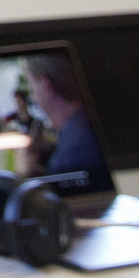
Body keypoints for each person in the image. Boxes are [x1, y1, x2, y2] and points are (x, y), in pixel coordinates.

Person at [28, 56, 109, 192]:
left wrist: (28, 178)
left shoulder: (68, 158)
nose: (34, 98)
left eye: (32, 87)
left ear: (45, 83)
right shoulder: (94, 119)